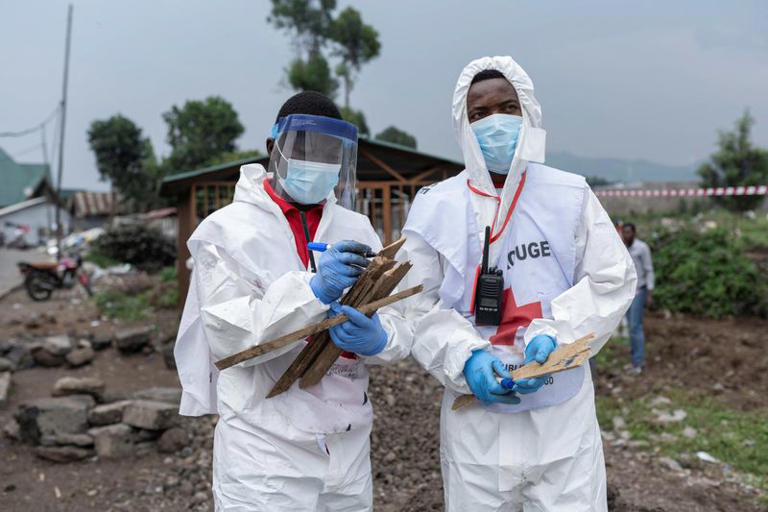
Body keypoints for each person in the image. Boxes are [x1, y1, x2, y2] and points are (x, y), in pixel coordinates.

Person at [394, 56, 637, 511]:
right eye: (479, 114)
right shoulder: (436, 207)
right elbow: (413, 304)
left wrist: (555, 334)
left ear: (530, 114)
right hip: (476, 426)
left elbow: (612, 279)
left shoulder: (569, 194)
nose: (495, 123)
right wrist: (463, 356)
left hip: (562, 419)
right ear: (461, 125)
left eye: (508, 107)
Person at [173, 91, 410, 511]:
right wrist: (312, 291)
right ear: (273, 149)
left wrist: (380, 338)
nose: (317, 161)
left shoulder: (356, 228)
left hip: (347, 444)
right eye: (305, 147)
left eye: (328, 151)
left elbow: (401, 320)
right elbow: (230, 339)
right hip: (264, 453)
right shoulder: (227, 232)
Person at [621, 222, 655, 374]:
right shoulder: (621, 247)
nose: (626, 235)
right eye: (624, 232)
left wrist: (650, 293)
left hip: (639, 291)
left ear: (634, 233)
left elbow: (649, 270)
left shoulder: (642, 248)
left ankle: (639, 362)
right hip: (626, 292)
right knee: (631, 327)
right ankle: (634, 360)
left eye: (629, 232)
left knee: (635, 326)